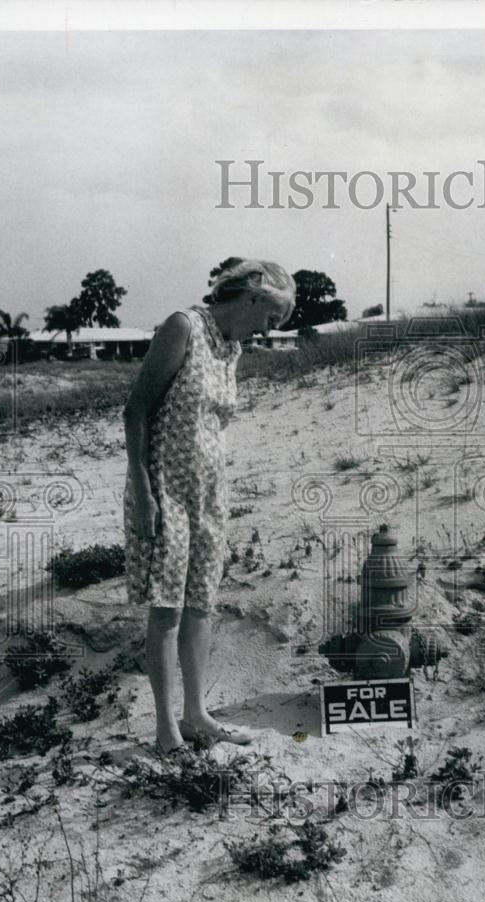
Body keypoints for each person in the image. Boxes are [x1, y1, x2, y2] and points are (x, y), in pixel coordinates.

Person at [122, 260, 296, 754]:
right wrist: (143, 491)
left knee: (201, 604)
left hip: (209, 493)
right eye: (272, 318)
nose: (271, 330)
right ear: (254, 297)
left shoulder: (232, 346)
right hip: (166, 490)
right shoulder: (184, 327)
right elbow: (136, 409)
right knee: (167, 609)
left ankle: (196, 716)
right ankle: (165, 730)